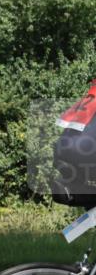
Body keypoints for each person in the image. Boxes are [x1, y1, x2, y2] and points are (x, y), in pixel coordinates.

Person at [52, 79, 96, 207]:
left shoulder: (91, 96)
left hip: (62, 152)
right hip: (86, 152)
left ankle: (69, 192)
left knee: (82, 184)